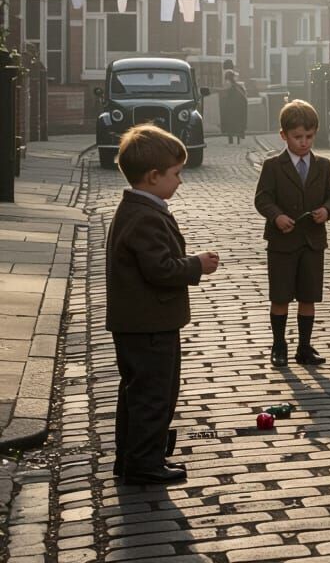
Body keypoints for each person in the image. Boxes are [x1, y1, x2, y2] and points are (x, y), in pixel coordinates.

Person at [105, 124, 220, 485]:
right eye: (176, 174)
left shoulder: (138, 208)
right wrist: (196, 265)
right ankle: (144, 463)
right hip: (148, 323)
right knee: (154, 395)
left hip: (141, 322)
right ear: (154, 176)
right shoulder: (143, 216)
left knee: (137, 392)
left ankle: (130, 457)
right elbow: (159, 269)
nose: (180, 181)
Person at [254, 99, 330, 368]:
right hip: (282, 242)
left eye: (309, 136)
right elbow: (262, 198)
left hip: (312, 242)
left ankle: (305, 346)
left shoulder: (323, 165)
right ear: (284, 135)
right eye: (297, 137)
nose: (304, 142)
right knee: (280, 296)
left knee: (308, 296)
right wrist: (277, 216)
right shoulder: (273, 166)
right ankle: (279, 345)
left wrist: (326, 211)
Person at [220, 69, 248, 145]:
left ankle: (231, 140)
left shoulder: (229, 84)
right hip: (237, 109)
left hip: (230, 109)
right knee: (236, 124)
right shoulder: (238, 86)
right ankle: (236, 139)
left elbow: (224, 95)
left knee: (230, 124)